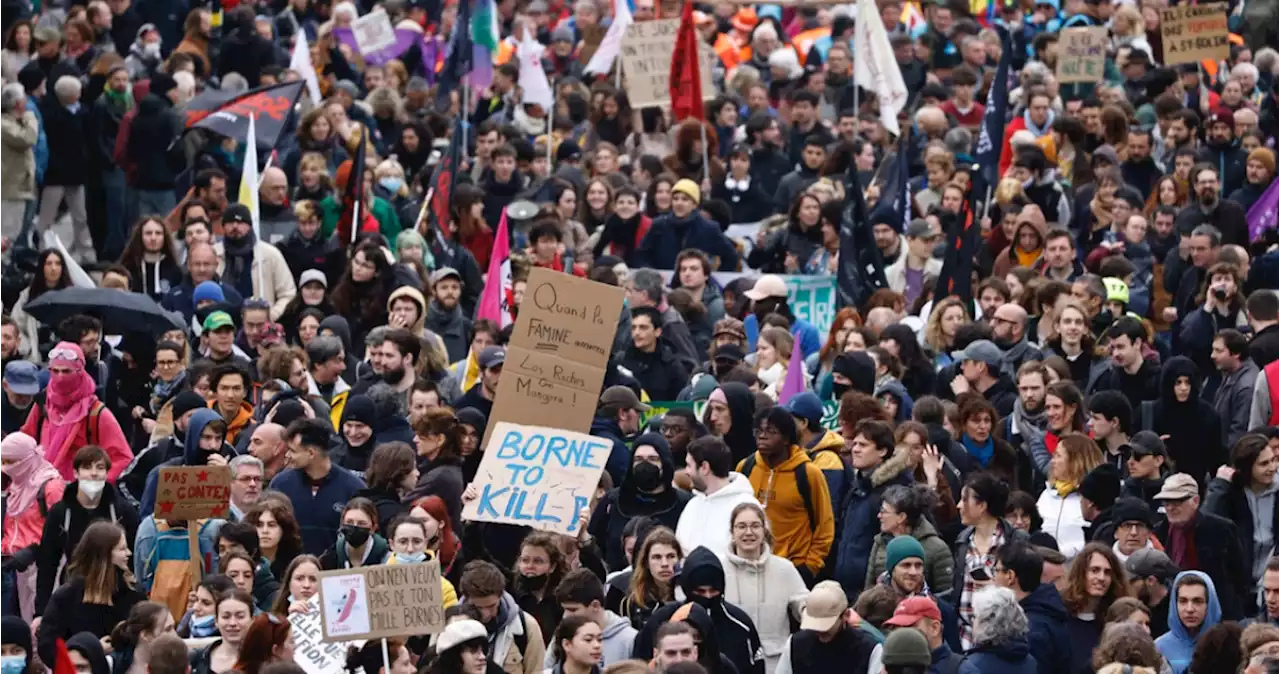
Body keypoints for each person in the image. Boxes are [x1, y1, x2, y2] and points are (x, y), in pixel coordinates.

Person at [36, 445, 140, 617]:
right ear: (75, 473)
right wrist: (41, 612)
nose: (94, 473)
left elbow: (133, 556)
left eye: (100, 468)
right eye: (87, 467)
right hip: (74, 592)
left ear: (107, 473)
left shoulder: (123, 511)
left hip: (114, 591)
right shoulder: (60, 512)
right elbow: (47, 563)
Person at [736, 407, 835, 585]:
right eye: (758, 431)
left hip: (794, 568)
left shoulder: (808, 473)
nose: (762, 436)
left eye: (771, 431)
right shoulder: (746, 467)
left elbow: (825, 525)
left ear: (787, 438)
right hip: (750, 565)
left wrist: (810, 567)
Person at [20, 342, 131, 481]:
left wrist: (94, 486)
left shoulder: (96, 413)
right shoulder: (43, 405)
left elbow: (122, 458)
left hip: (79, 497)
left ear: (80, 372)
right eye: (55, 371)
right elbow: (24, 443)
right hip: (42, 491)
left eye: (66, 371)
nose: (60, 377)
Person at [36, 521, 144, 664]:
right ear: (104, 555)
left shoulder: (134, 594)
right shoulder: (67, 596)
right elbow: (47, 647)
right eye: (122, 549)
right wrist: (89, 652)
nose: (129, 553)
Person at [720, 502, 808, 674]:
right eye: (741, 526)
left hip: (776, 662)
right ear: (732, 532)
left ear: (764, 531)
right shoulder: (719, 568)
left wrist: (807, 610)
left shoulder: (784, 568)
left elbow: (802, 600)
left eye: (755, 526)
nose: (748, 532)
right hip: (732, 661)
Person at [1153, 473, 1250, 620]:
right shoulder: (1159, 532)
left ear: (1196, 500)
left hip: (1219, 614)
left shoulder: (1221, 529)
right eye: (1166, 502)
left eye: (1177, 501)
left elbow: (1240, 575)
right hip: (1173, 613)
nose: (1171, 508)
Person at [589, 433, 691, 571]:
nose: (645, 464)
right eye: (638, 459)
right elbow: (595, 546)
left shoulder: (684, 504)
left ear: (665, 463)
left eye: (653, 459)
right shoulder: (613, 501)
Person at [270, 419, 365, 555]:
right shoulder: (280, 484)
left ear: (311, 453)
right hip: (290, 571)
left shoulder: (353, 488)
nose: (288, 456)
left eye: (292, 451)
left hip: (334, 572)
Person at [1203, 433, 1280, 600]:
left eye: (1274, 460)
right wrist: (1219, 486)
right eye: (1264, 463)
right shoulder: (1231, 492)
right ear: (1247, 466)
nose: (1272, 467)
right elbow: (1206, 520)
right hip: (1238, 585)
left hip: (1272, 584)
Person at [0, 430, 63, 620]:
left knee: (39, 623)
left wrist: (34, 549)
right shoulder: (15, 485)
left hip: (42, 567)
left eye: (12, 462)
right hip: (15, 566)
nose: (6, 467)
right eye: (3, 461)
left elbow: (61, 532)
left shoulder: (50, 487)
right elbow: (13, 527)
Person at [675, 436, 759, 559]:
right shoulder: (692, 505)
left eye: (688, 465)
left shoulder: (747, 507)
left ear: (704, 467)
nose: (686, 472)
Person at [993, 543, 1071, 674]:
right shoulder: (1048, 608)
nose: (994, 577)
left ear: (1010, 576)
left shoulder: (1030, 629)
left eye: (997, 570)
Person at [457, 560, 545, 674]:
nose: (485, 614)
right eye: (477, 607)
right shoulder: (448, 625)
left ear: (501, 595)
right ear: (466, 598)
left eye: (491, 606)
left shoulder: (527, 627)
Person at [865, 484, 954, 595]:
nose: (879, 515)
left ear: (901, 517)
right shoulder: (880, 542)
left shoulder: (937, 548)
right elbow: (869, 589)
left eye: (884, 512)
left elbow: (946, 594)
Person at [774, 580, 878, 674]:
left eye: (826, 625)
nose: (819, 630)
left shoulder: (869, 650)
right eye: (815, 624)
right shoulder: (795, 645)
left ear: (845, 615)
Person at [1061, 542, 1130, 672]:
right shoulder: (1060, 616)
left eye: (1108, 572)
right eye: (1094, 570)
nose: (1101, 578)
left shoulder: (1117, 621)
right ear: (1081, 573)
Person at [552, 569, 637, 667]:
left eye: (573, 610)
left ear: (595, 606)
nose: (565, 616)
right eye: (564, 609)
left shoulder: (629, 640)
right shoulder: (563, 633)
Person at [957, 585, 1040, 674]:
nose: (972, 621)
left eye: (975, 616)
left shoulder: (971, 667)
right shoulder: (1031, 661)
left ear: (986, 623)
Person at [1155, 572, 1224, 674]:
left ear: (1209, 604)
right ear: (1175, 604)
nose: (1189, 609)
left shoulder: (1225, 645)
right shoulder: (1159, 647)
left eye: (1197, 601)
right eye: (1183, 601)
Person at [881, 597, 963, 674]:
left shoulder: (961, 669)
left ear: (934, 628)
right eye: (895, 628)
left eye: (909, 627)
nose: (901, 634)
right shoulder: (889, 666)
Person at [191, 589, 255, 674]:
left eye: (240, 616)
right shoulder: (197, 659)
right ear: (216, 621)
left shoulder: (264, 660)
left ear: (252, 620)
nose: (233, 623)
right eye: (226, 617)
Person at [1126, 548, 1179, 639]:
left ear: (1151, 581)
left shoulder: (1178, 611)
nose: (1127, 585)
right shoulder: (1129, 606)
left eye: (1132, 581)